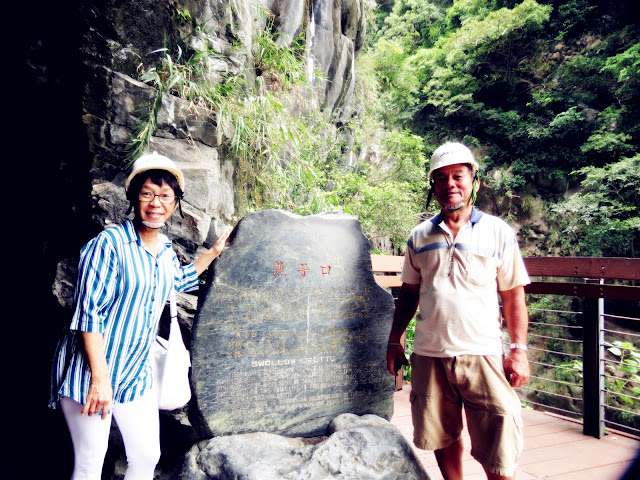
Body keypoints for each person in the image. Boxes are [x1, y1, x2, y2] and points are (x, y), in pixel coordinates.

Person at [49, 151, 232, 480]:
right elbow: (89, 315)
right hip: (91, 373)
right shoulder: (108, 245)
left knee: (147, 456)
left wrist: (214, 252)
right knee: (90, 463)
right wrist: (100, 380)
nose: (156, 202)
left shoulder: (163, 250)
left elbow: (178, 281)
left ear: (175, 203)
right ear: (135, 197)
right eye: (147, 193)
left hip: (136, 372)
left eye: (165, 195)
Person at [386, 142, 531, 480]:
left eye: (458, 176)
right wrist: (396, 341)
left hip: (482, 353)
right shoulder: (419, 237)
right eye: (440, 178)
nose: (450, 184)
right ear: (433, 187)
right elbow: (408, 295)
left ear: (474, 182)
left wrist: (519, 350)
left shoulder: (499, 233)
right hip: (430, 353)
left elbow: (513, 295)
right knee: (442, 433)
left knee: (500, 438)